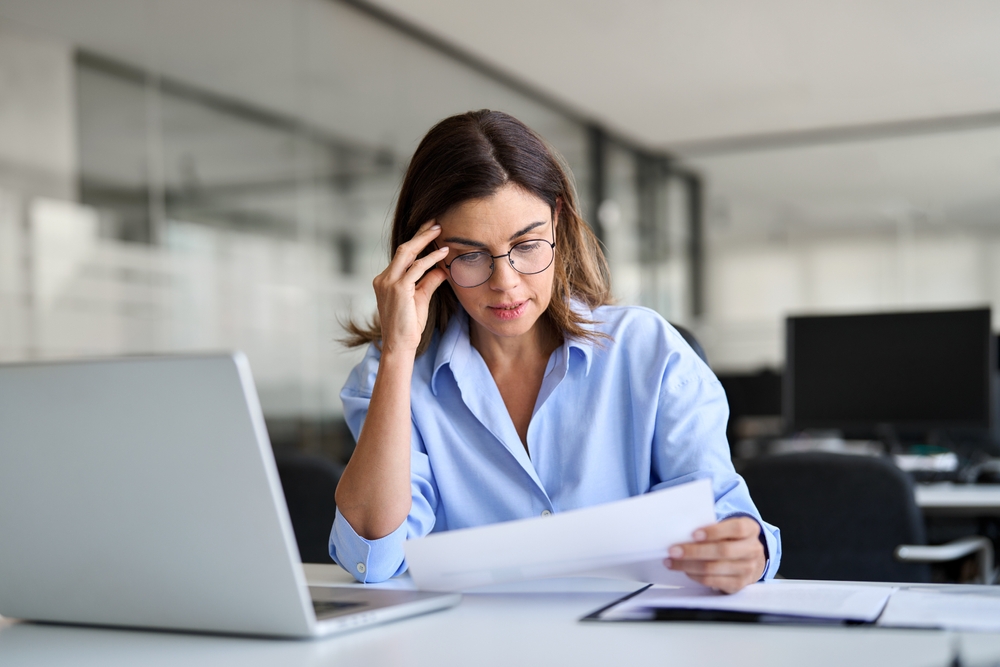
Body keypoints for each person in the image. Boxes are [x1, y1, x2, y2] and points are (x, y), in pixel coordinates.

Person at [331, 110, 780, 593]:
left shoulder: (648, 351)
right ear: (425, 258)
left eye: (526, 245)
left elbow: (722, 512)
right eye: (469, 255)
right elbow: (374, 554)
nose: (506, 284)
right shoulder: (391, 375)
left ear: (558, 222)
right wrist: (399, 353)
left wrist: (745, 548)